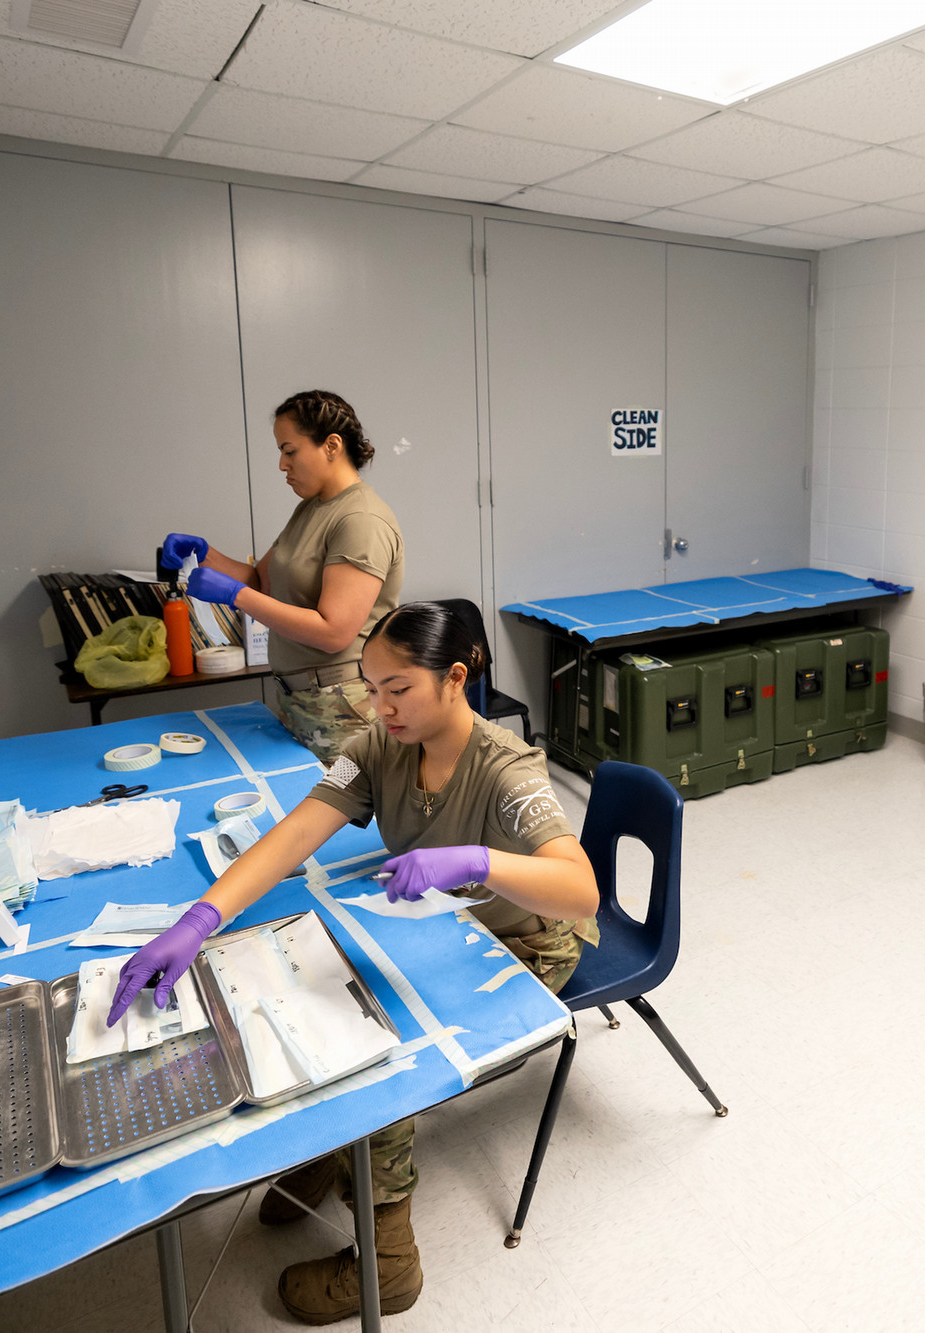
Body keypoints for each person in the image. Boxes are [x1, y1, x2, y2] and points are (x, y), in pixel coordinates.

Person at [104, 602, 599, 1323]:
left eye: (397, 688)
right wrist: (198, 920)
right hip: (453, 927)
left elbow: (579, 885)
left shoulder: (507, 769)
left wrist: (478, 859)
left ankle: (389, 1263)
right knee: (312, 983)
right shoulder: (378, 746)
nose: (380, 705)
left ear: (454, 677)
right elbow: (296, 831)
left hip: (525, 940)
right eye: (372, 687)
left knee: (374, 1042)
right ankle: (339, 1152)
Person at [161, 389, 404, 762]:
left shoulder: (360, 520)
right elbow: (263, 581)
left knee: (347, 815)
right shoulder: (312, 508)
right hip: (303, 699)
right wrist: (205, 554)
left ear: (331, 445)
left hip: (344, 705)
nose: (281, 464)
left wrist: (235, 595)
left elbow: (334, 632)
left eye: (289, 451)